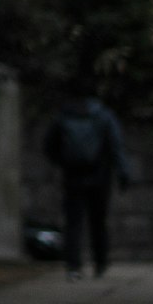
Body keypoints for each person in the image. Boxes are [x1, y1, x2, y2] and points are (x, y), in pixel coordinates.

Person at [46, 91, 132, 281]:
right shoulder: (103, 116)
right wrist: (123, 173)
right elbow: (116, 145)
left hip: (73, 176)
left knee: (73, 223)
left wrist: (63, 162)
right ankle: (100, 262)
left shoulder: (65, 115)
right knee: (98, 222)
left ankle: (73, 266)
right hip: (100, 176)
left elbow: (49, 146)